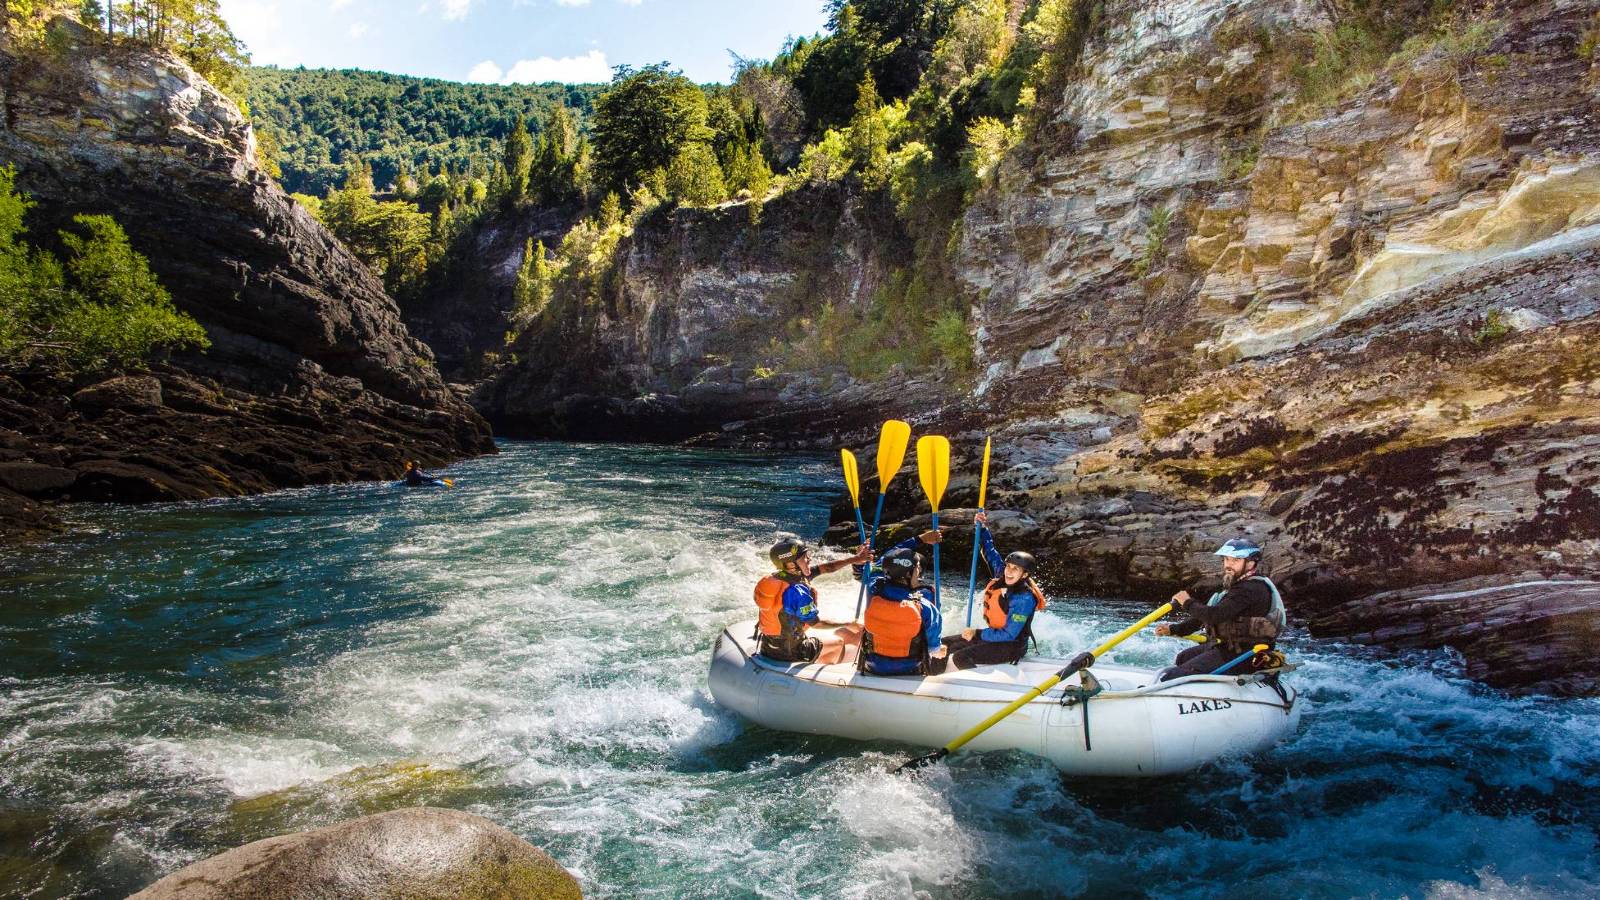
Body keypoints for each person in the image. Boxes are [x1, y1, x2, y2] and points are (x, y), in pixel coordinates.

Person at [1155, 537, 1287, 681]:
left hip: (1246, 654)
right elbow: (1206, 616)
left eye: (1235, 561)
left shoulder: (1251, 589)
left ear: (1250, 563)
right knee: (1183, 658)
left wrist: (1187, 602)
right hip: (1228, 646)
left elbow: (1214, 615)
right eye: (1226, 560)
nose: (1228, 565)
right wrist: (1174, 629)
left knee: (1172, 677)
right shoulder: (1236, 586)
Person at [930, 511, 1047, 672]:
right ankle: (933, 677)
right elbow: (990, 552)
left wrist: (977, 634)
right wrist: (982, 527)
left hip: (1011, 646)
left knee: (961, 656)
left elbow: (1009, 635)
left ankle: (974, 688)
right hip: (994, 637)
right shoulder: (1003, 576)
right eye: (1008, 567)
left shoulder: (1023, 598)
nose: (1009, 572)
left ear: (1024, 574)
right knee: (943, 643)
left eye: (1016, 569)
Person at [753, 537, 870, 664]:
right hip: (793, 652)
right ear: (791, 564)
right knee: (838, 643)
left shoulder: (778, 578)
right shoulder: (797, 592)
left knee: (842, 634)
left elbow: (827, 568)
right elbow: (817, 624)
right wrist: (848, 623)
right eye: (804, 557)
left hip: (769, 647)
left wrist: (856, 559)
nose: (809, 558)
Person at [861, 546, 943, 676]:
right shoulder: (926, 607)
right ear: (908, 574)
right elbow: (933, 649)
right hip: (910, 670)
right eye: (917, 569)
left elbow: (876, 569)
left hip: (873, 667)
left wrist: (917, 541)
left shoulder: (872, 591)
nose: (919, 573)